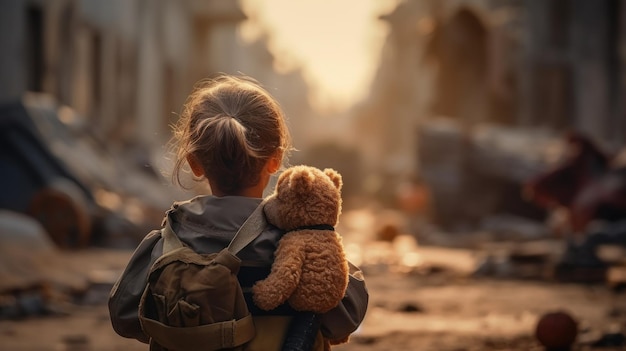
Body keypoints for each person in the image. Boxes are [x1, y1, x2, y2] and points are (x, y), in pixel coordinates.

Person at [108, 74, 369, 350]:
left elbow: (124, 316)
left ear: (195, 164)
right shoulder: (300, 244)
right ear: (275, 160)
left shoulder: (169, 241)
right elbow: (346, 317)